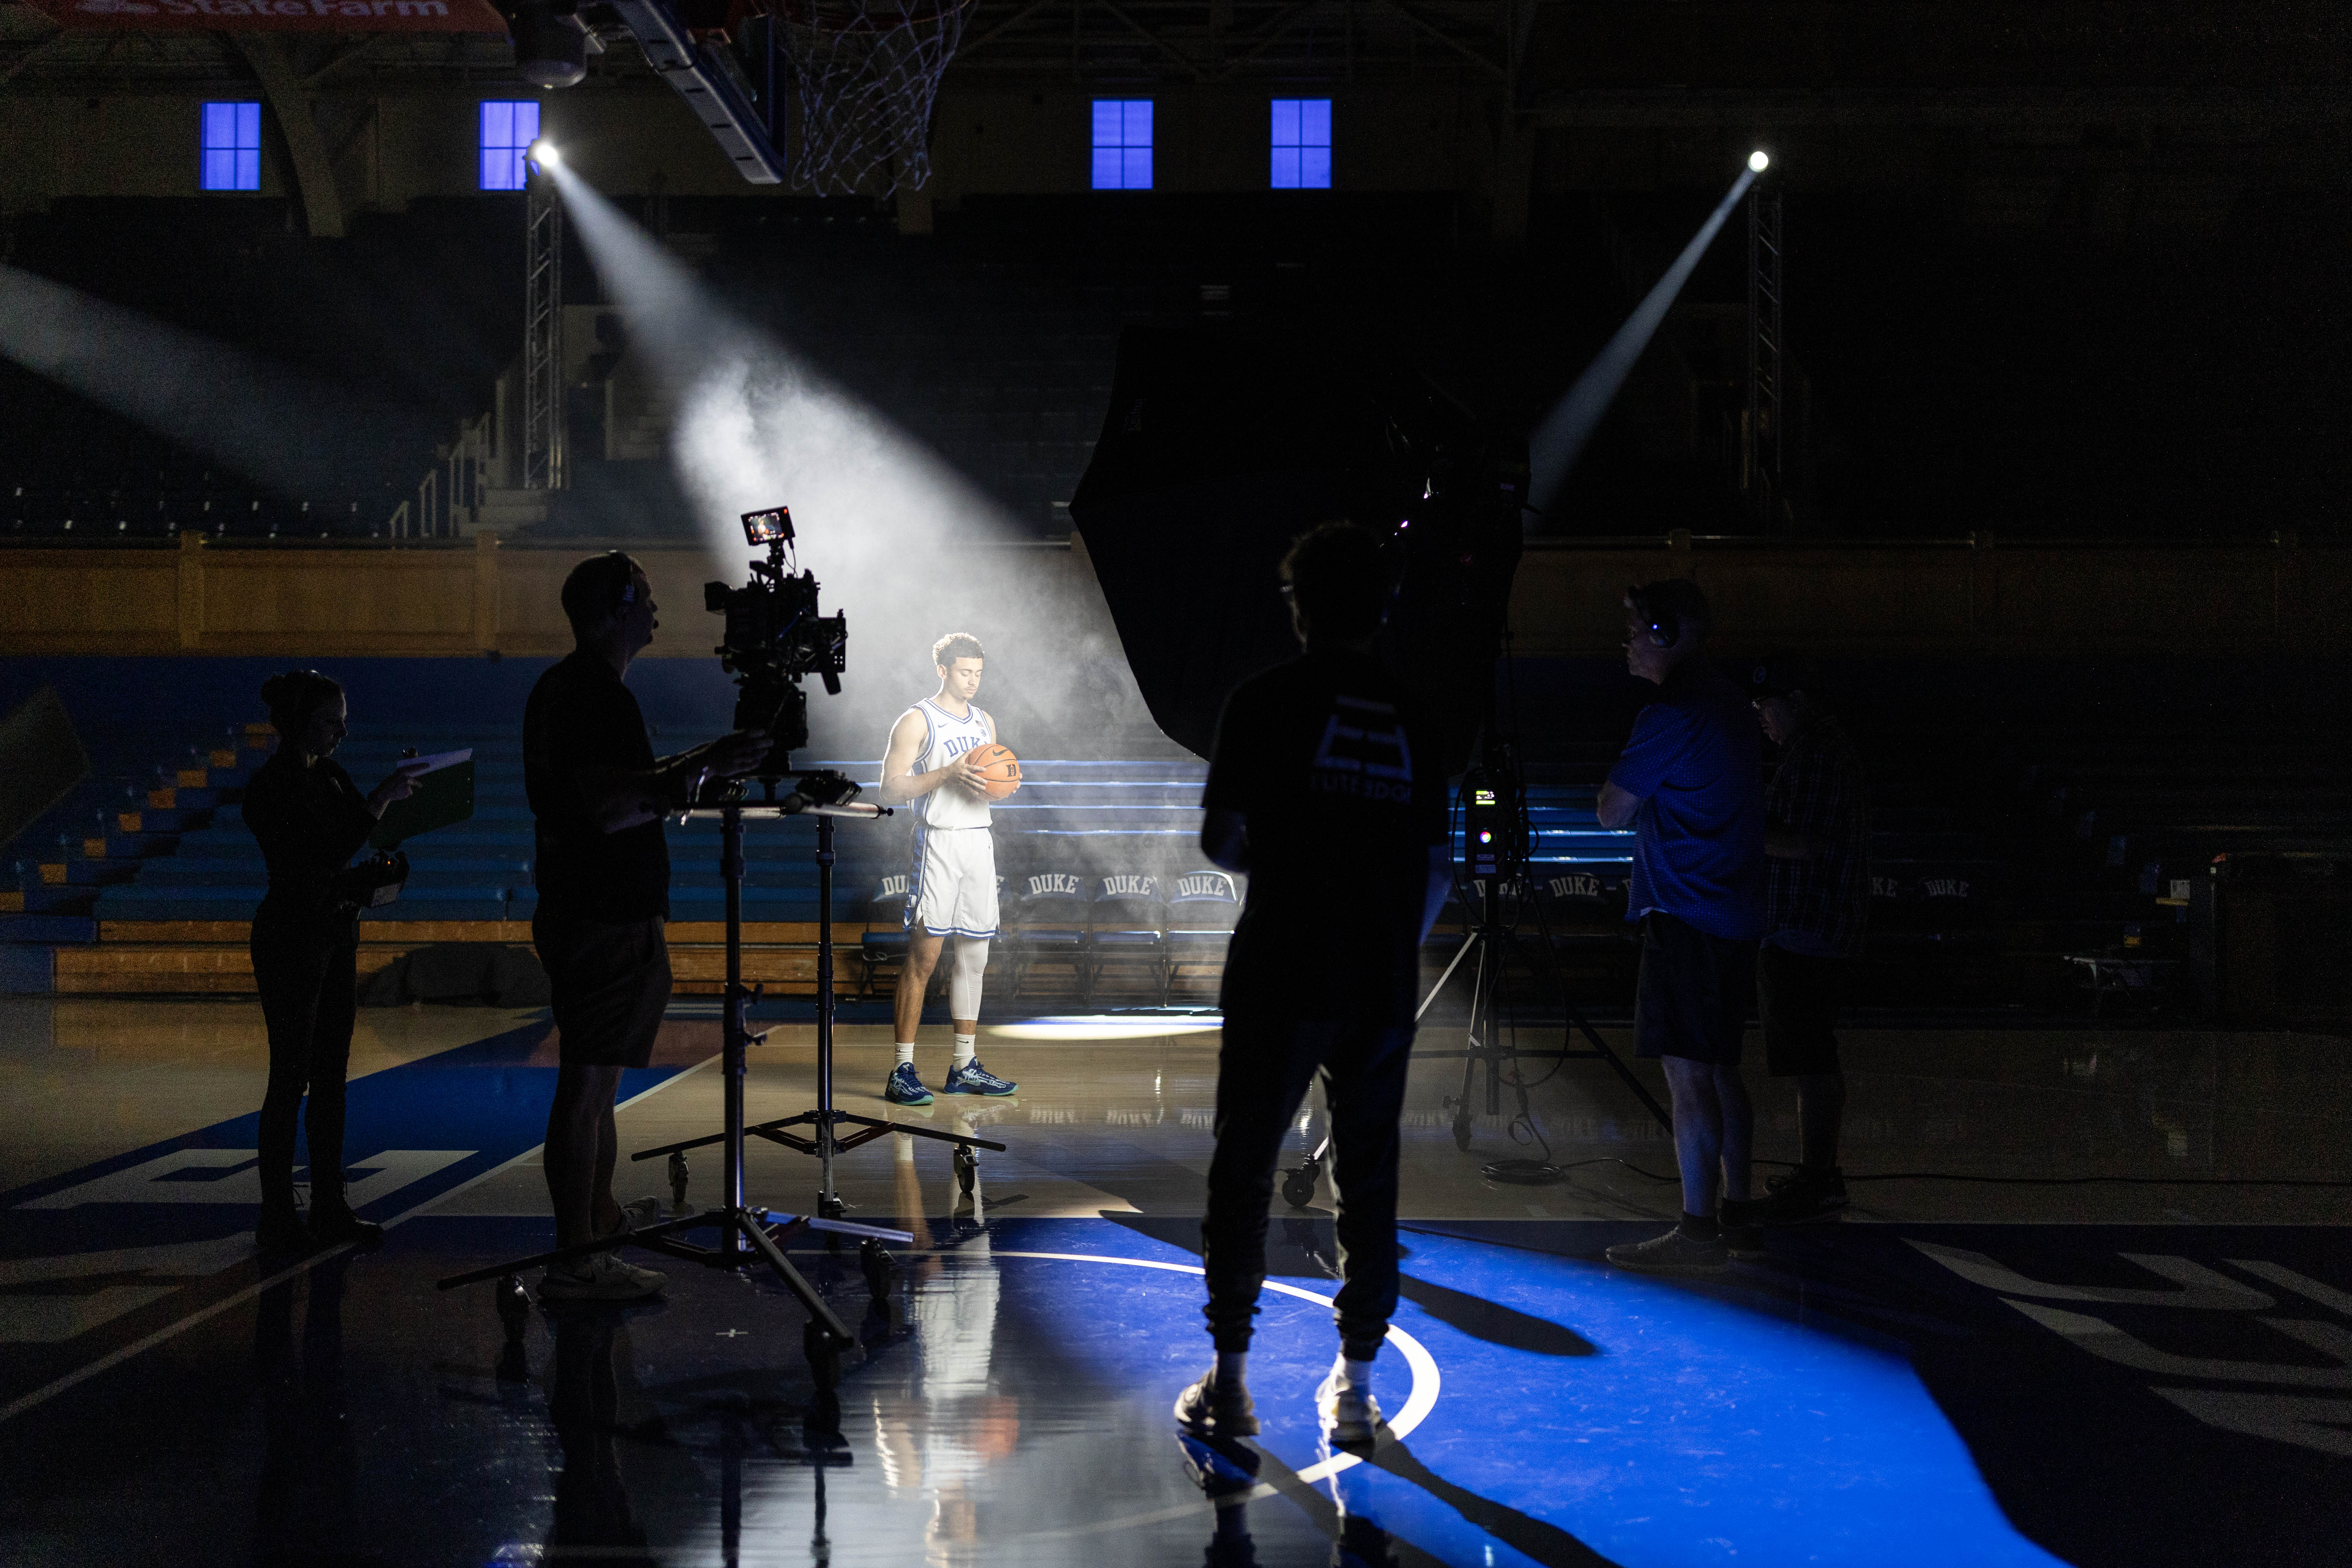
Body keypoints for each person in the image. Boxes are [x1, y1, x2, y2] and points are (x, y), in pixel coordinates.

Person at [1175, 523, 1451, 1448]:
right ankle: (1359, 1389)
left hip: (1284, 963)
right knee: (1370, 1178)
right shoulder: (1417, 715)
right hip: (1380, 975)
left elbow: (1222, 842)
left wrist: (1288, 858)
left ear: (1300, 607)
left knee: (1244, 1165)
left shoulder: (1262, 700)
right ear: (1381, 609)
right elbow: (1437, 865)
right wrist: (1384, 934)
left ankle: (1232, 1380)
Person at [524, 552, 769, 1301]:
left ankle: (595, 1229)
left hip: (604, 912)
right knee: (589, 1089)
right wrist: (696, 772)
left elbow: (627, 787)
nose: (657, 612)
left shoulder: (582, 692)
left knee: (598, 1089)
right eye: (647, 599)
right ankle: (577, 1255)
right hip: (601, 914)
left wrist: (702, 762)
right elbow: (608, 806)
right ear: (615, 607)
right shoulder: (591, 696)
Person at [1596, 579, 1767, 1275]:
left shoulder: (1671, 713)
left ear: (1667, 636)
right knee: (1721, 1070)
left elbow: (1611, 811)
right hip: (1730, 914)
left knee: (1689, 1080)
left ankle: (1698, 1235)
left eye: (1638, 630)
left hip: (1688, 917)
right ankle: (1739, 1213)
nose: (1628, 642)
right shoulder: (1728, 701)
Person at [242, 669, 430, 1251]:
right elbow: (318, 852)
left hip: (332, 932)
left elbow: (340, 855)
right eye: (330, 722)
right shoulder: (271, 786)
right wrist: (377, 803)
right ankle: (277, 1215)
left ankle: (329, 1205)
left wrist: (377, 875)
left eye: (344, 721)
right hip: (291, 940)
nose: (342, 733)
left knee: (329, 1081)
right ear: (298, 725)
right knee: (290, 1077)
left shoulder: (331, 776)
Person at [1726, 657, 1869, 1225]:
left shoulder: (1814, 757)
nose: (1762, 719)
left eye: (1768, 707)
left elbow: (1804, 844)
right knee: (1811, 1053)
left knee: (1811, 1057)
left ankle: (1820, 1178)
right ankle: (1817, 1173)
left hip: (1808, 929)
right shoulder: (1814, 754)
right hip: (1811, 926)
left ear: (1798, 701)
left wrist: (1740, 828)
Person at [873, 632, 1018, 1106]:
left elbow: (984, 781)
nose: (973, 681)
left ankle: (964, 1065)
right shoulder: (917, 719)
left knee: (976, 958)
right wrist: (948, 774)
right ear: (943, 670)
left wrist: (996, 786)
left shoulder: (984, 721)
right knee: (925, 958)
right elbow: (891, 790)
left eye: (978, 673)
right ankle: (901, 1069)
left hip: (979, 841)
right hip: (937, 842)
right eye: (964, 672)